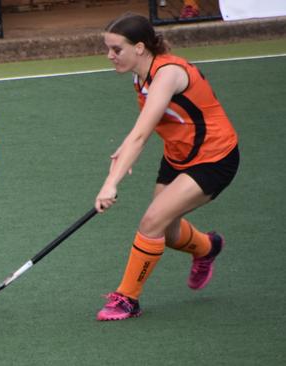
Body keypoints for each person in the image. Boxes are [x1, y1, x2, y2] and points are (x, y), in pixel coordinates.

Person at [94, 13, 239, 321]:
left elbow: (142, 134)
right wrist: (124, 151)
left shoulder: (168, 74)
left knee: (151, 221)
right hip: (179, 156)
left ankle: (127, 299)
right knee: (169, 233)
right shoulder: (140, 75)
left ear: (140, 48)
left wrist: (111, 183)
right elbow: (145, 127)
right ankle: (207, 247)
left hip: (214, 158)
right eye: (108, 48)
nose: (110, 56)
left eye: (116, 49)